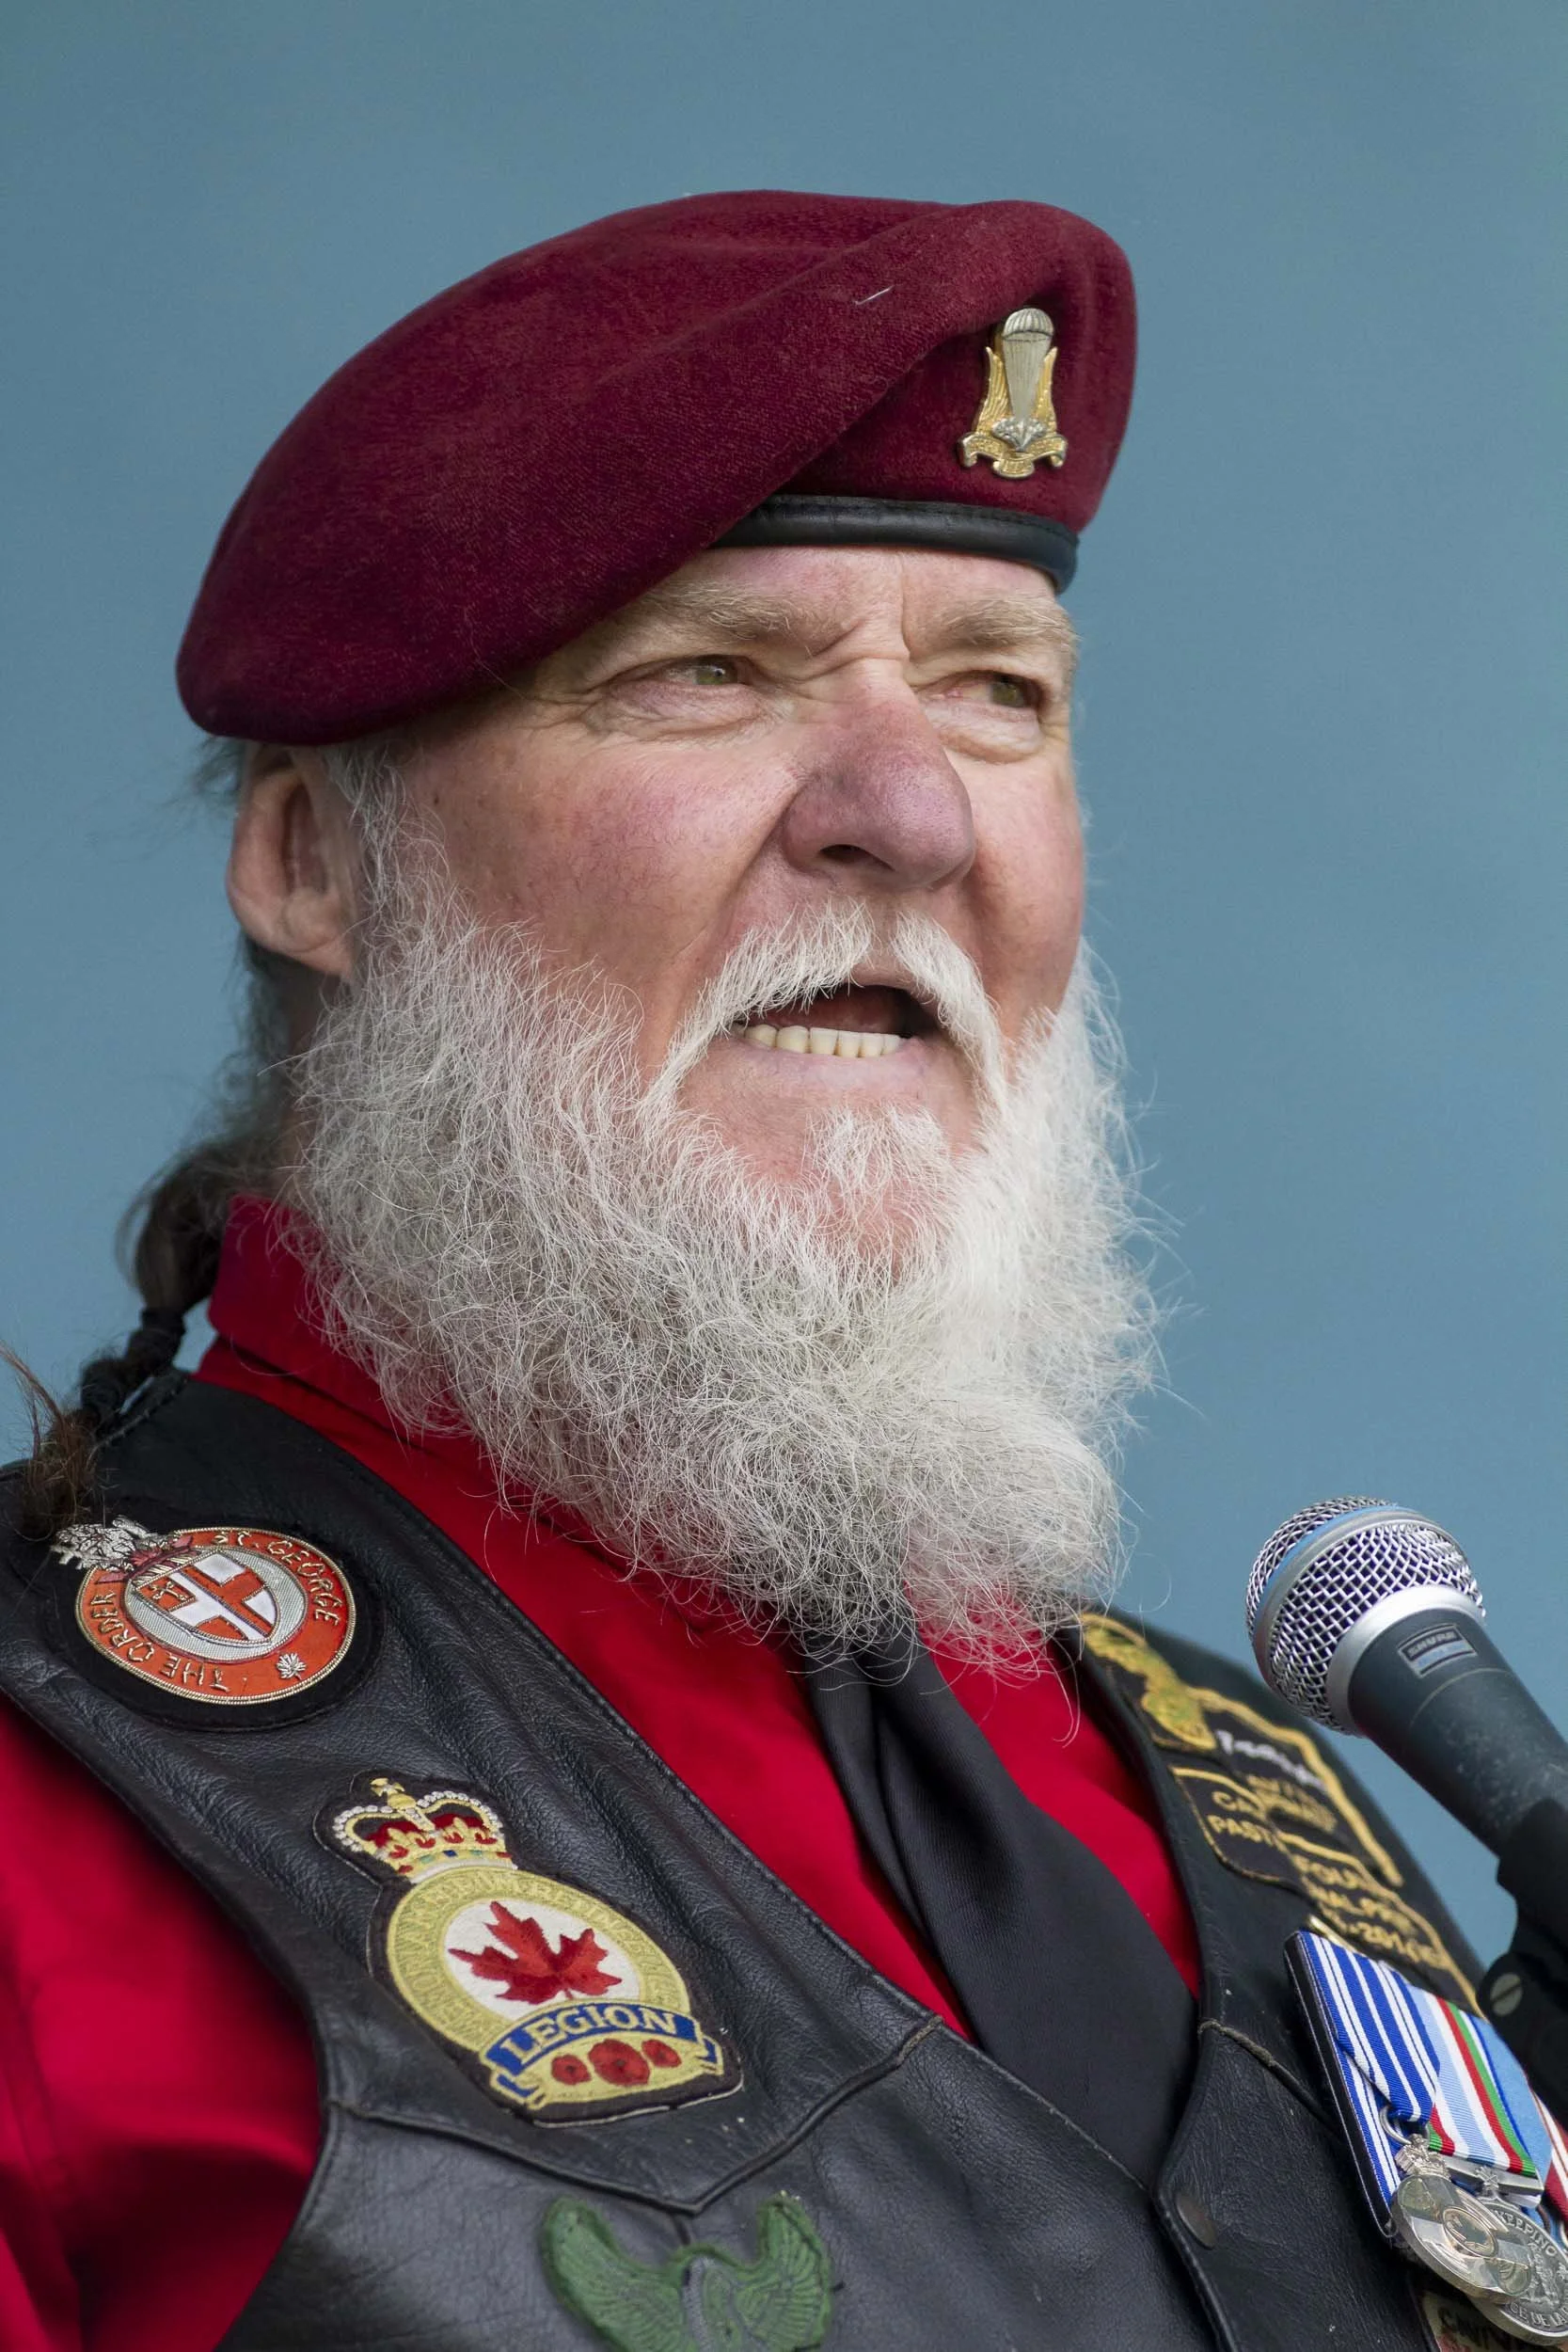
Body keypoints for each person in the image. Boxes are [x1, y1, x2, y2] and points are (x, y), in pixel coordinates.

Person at [0, 191, 1511, 2352]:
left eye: (997, 693)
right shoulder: (35, 1823)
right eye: (708, 671)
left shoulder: (1274, 1794)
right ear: (317, 858)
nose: (906, 809)